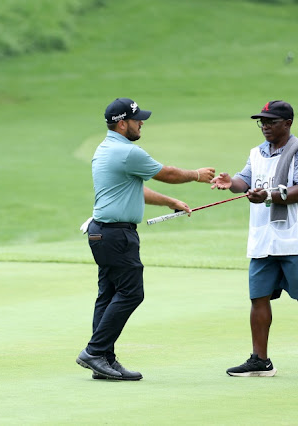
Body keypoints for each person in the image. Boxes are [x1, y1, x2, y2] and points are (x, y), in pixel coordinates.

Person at [76, 97, 216, 380]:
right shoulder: (128, 152)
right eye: (137, 119)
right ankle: (94, 351)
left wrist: (169, 201)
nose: (142, 123)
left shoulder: (106, 149)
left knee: (109, 294)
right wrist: (197, 175)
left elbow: (133, 190)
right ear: (121, 123)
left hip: (101, 232)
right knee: (130, 293)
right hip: (116, 235)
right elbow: (168, 173)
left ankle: (104, 359)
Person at [211, 100, 298, 378]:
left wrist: (270, 196)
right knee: (258, 296)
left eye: (271, 121)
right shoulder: (257, 152)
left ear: (287, 124)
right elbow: (244, 181)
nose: (265, 126)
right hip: (265, 236)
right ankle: (260, 360)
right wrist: (230, 183)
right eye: (262, 121)